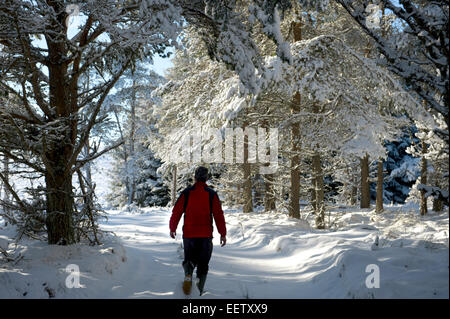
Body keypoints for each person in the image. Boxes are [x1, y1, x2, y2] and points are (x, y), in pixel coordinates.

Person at [169, 166, 227, 295]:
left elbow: (176, 211)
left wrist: (173, 228)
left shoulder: (187, 193)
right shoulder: (211, 194)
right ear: (206, 178)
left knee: (189, 260)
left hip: (189, 235)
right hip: (205, 236)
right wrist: (222, 233)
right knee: (203, 264)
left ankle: (188, 275)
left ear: (194, 177)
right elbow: (218, 215)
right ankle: (199, 291)